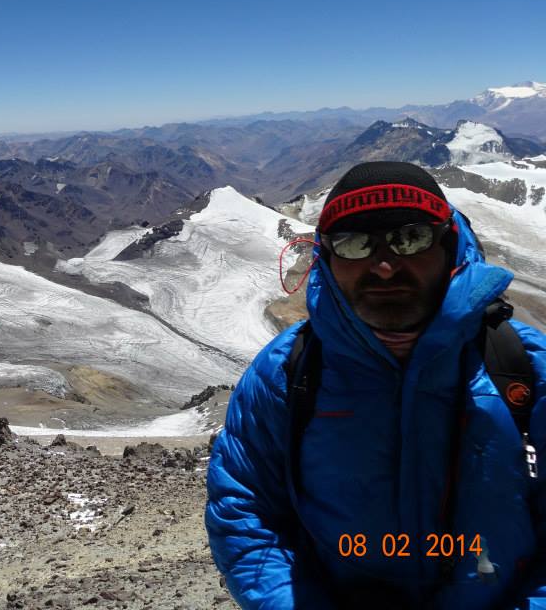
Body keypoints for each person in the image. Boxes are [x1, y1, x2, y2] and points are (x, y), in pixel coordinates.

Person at [205, 161, 546, 609]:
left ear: (449, 244)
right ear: (326, 259)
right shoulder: (284, 374)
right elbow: (245, 510)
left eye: (411, 238)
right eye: (354, 243)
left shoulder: (526, 367)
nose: (384, 266)